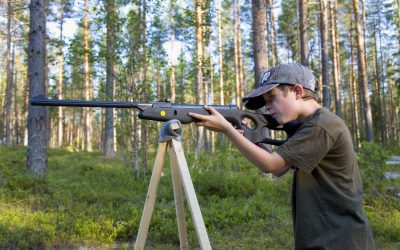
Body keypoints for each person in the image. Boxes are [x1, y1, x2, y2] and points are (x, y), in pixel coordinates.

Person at [189, 63, 374, 249]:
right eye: (265, 102)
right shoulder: (307, 126)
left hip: (341, 238)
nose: (267, 108)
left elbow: (272, 165)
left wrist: (227, 129)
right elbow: (280, 169)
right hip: (322, 234)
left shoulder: (322, 125)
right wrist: (251, 138)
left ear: (298, 91)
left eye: (271, 98)